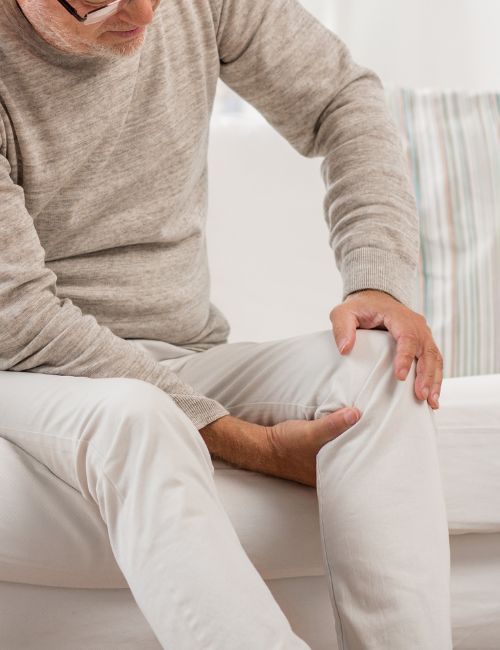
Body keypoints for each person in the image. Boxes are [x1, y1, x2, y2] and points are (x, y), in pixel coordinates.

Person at [0, 0, 452, 648]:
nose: (146, 14)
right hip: (23, 368)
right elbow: (19, 319)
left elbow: (342, 99)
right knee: (137, 415)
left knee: (382, 365)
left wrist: (378, 281)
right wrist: (249, 443)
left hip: (183, 351)